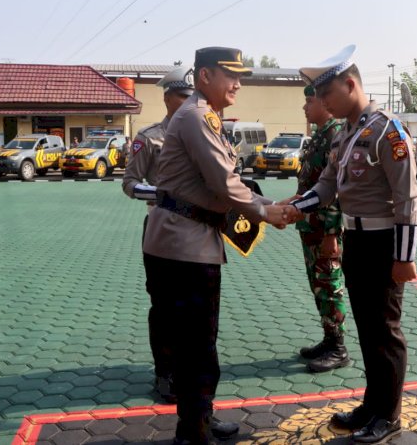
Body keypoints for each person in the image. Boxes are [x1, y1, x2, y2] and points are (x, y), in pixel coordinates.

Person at [141, 47, 291, 445]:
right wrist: (266, 210)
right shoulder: (197, 116)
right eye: (230, 75)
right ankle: (193, 433)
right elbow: (224, 182)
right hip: (184, 245)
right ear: (204, 76)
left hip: (185, 238)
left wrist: (262, 206)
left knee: (196, 346)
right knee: (197, 347)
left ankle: (198, 420)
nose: (238, 83)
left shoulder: (200, 115)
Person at [290, 45, 417, 444]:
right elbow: (328, 185)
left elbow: (407, 199)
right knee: (366, 329)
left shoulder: (387, 130)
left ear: (350, 84)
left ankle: (389, 415)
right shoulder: (347, 134)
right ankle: (372, 404)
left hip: (384, 244)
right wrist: (295, 207)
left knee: (385, 331)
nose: (323, 102)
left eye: (327, 93)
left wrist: (404, 258)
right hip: (356, 240)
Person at [121, 67, 194, 403]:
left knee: (194, 307)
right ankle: (164, 371)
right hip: (162, 228)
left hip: (198, 231)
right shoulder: (149, 138)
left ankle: (190, 370)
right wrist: (165, 196)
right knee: (164, 306)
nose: (188, 102)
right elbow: (130, 183)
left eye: (192, 96)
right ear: (167, 98)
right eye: (182, 95)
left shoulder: (206, 133)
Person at [292, 84, 348, 373]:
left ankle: (338, 347)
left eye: (310, 101)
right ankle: (328, 338)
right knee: (318, 284)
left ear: (325, 104)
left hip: (325, 227)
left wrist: (330, 233)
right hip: (310, 223)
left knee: (329, 285)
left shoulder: (336, 135)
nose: (305, 107)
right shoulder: (321, 135)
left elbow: (336, 189)